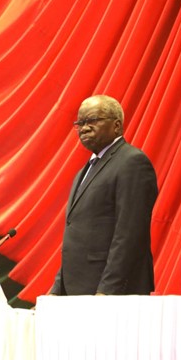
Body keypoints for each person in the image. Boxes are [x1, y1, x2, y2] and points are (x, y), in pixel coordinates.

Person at [50, 95, 158, 296]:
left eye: (92, 120)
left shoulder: (132, 162)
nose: (84, 128)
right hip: (79, 289)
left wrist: (107, 290)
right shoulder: (85, 171)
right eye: (80, 123)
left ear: (116, 126)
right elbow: (78, 237)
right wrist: (57, 288)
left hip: (111, 291)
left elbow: (129, 233)